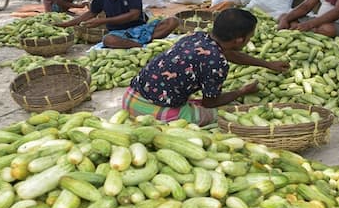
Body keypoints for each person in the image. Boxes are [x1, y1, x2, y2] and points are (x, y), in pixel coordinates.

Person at [123, 8, 290, 126]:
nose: (249, 41)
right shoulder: (217, 63)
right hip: (149, 112)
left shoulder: (198, 37)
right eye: (249, 37)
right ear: (239, 40)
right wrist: (242, 91)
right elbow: (210, 102)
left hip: (130, 97)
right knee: (226, 114)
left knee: (194, 101)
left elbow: (230, 54)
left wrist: (268, 65)